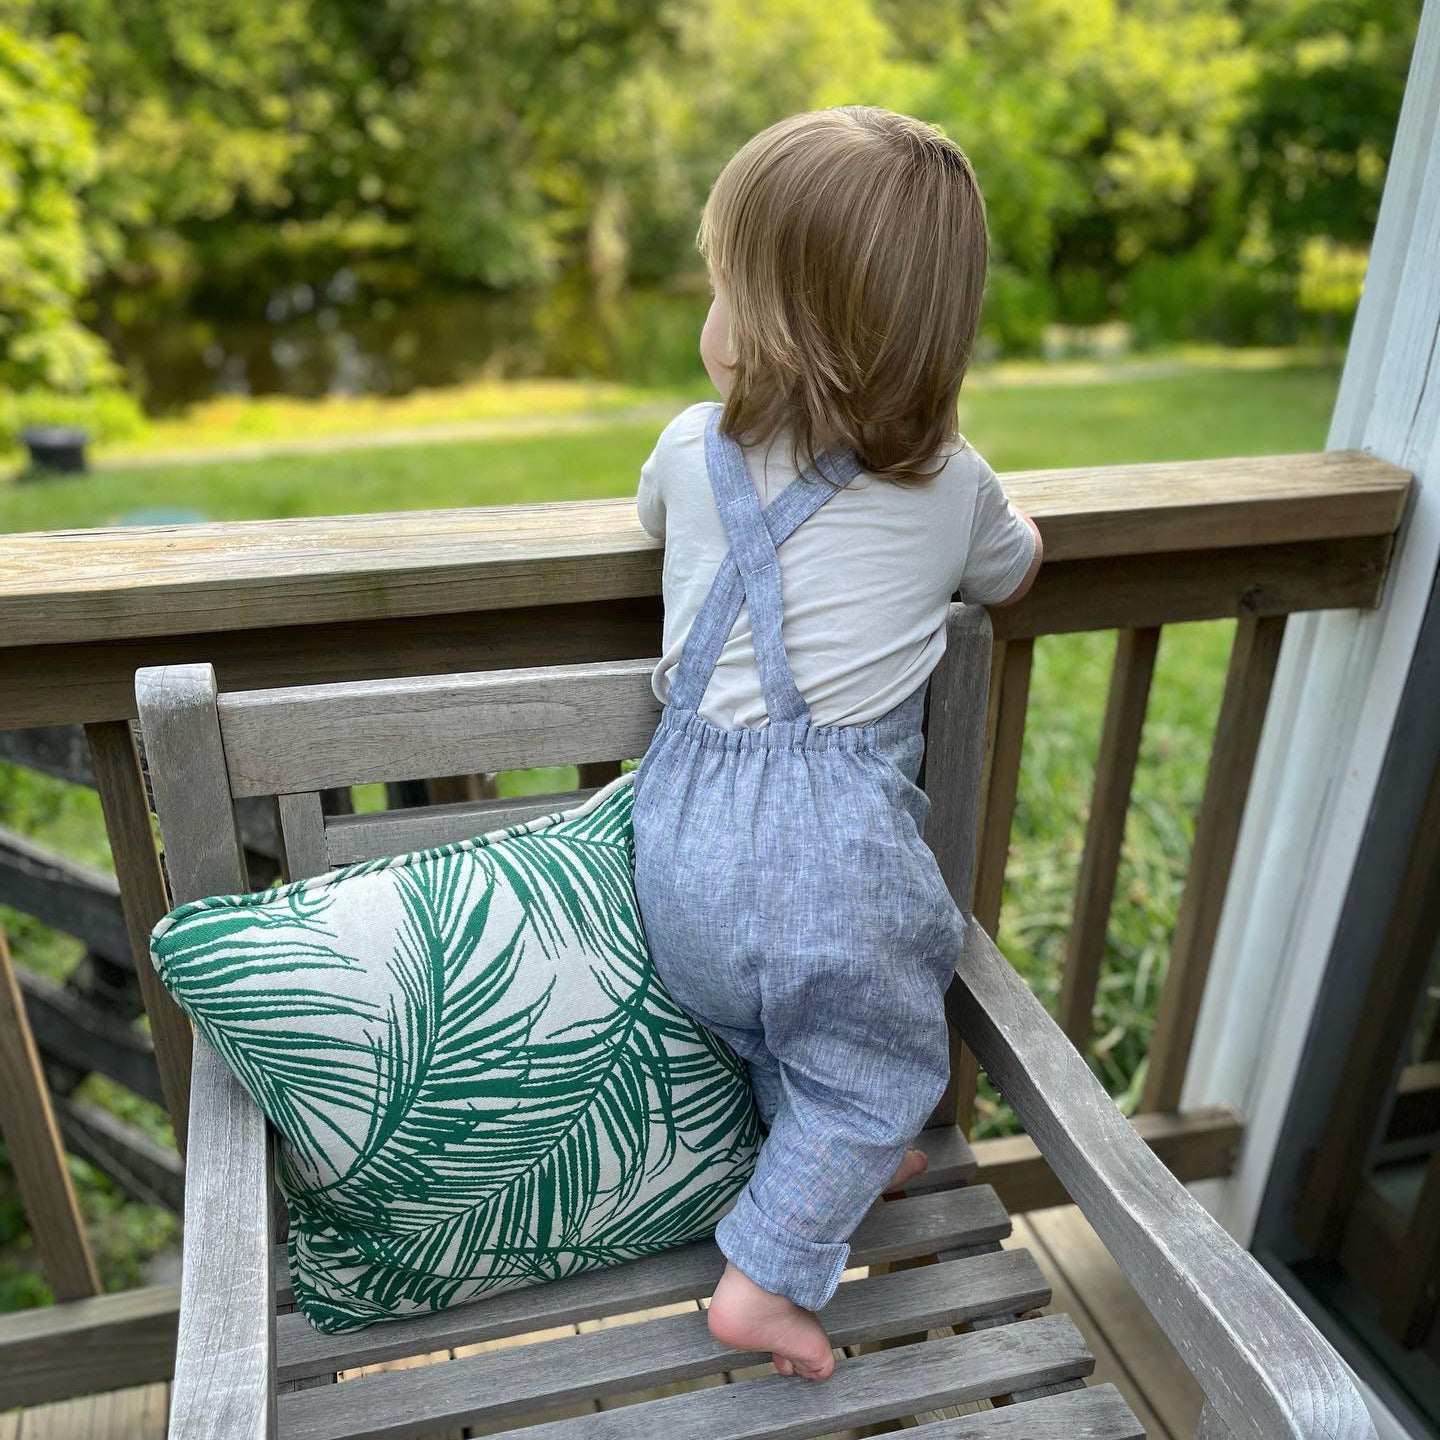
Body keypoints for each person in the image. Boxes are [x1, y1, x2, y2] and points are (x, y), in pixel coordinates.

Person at [630, 106, 1042, 1382]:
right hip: (831, 873)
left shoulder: (687, 451)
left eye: (719, 288)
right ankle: (762, 1282)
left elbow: (651, 527)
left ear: (769, 326)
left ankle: (821, 1166)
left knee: (776, 1033)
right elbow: (1016, 570)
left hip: (681, 849)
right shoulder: (950, 485)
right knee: (880, 1069)